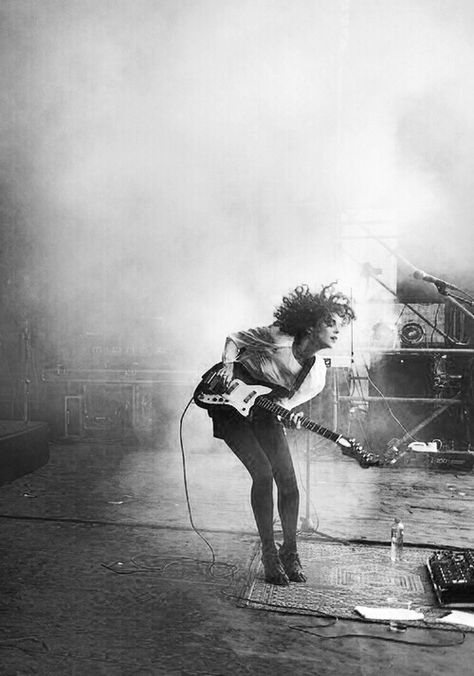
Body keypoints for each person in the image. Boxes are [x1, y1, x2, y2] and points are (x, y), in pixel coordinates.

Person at [206, 283, 355, 585]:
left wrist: (289, 418)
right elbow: (234, 339)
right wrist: (226, 367)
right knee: (262, 473)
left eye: (341, 325)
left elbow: (281, 405)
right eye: (330, 323)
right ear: (311, 325)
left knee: (288, 481)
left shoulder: (316, 377)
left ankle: (290, 552)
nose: (337, 331)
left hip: (263, 410)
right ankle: (268, 553)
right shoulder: (278, 337)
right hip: (229, 405)